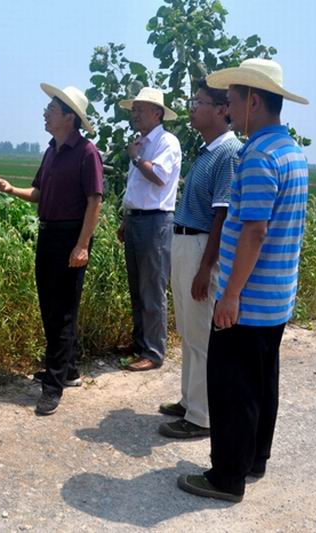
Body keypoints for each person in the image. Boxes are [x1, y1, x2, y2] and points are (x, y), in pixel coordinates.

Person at [177, 58, 309, 502]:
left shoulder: (258, 156)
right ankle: (254, 458)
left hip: (249, 300)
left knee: (232, 386)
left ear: (253, 102)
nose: (229, 110)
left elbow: (254, 230)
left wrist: (230, 294)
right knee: (261, 381)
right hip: (277, 297)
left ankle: (226, 476)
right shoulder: (291, 151)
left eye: (232, 101)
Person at [0, 83, 103, 416]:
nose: (45, 114)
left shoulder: (86, 152)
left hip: (71, 237)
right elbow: (39, 193)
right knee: (50, 307)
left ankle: (53, 387)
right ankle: (67, 370)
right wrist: (11, 190)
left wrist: (82, 245)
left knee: (63, 311)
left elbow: (94, 201)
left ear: (69, 117)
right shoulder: (52, 151)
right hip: (48, 234)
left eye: (51, 110)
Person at [157, 79, 242, 439]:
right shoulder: (208, 151)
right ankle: (189, 400)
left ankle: (202, 416)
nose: (192, 108)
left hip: (201, 246)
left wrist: (206, 268)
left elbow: (222, 215)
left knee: (202, 334)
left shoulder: (229, 152)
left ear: (222, 110)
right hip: (185, 243)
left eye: (199, 102)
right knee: (189, 330)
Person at [116, 88, 182, 372]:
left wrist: (135, 158)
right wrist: (126, 220)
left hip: (156, 222)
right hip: (137, 220)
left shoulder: (167, 142)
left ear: (157, 113)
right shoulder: (141, 142)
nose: (135, 114)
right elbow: (137, 189)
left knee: (152, 288)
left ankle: (154, 352)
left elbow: (158, 177)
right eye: (134, 110)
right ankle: (140, 343)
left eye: (140, 109)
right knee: (137, 287)